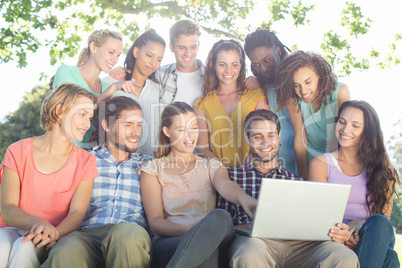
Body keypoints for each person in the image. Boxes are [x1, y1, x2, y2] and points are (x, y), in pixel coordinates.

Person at [216, 109, 359, 267]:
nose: (265, 143)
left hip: (299, 247)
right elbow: (220, 230)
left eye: (271, 136)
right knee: (249, 252)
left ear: (279, 137)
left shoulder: (298, 182)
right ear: (247, 139)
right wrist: (249, 227)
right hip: (254, 242)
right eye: (258, 137)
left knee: (343, 256)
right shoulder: (230, 179)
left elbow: (316, 223)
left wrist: (337, 232)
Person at [139, 102, 257, 268]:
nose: (190, 135)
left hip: (213, 233)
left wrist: (244, 198)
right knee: (206, 252)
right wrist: (192, 231)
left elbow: (225, 185)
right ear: (167, 132)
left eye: (194, 127)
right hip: (171, 241)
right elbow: (156, 222)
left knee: (221, 216)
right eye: (181, 130)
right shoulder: (152, 169)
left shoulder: (211, 165)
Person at [42, 96, 153, 267]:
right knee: (64, 251)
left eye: (139, 125)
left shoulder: (149, 165)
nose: (136, 132)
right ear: (106, 125)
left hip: (130, 232)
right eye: (128, 125)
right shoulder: (84, 160)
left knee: (126, 235)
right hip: (87, 235)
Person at [0, 83, 98, 267]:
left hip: (53, 235)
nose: (87, 124)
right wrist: (38, 223)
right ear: (60, 111)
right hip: (13, 228)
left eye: (90, 117)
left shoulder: (86, 161)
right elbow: (7, 208)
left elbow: (77, 213)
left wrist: (53, 233)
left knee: (25, 248)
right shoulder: (17, 151)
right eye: (82, 114)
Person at [308, 100, 400, 268]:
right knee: (390, 258)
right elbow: (318, 216)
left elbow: (382, 224)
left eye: (355, 126)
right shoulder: (321, 164)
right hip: (334, 236)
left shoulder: (384, 170)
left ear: (367, 132)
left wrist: (360, 222)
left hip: (371, 236)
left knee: (378, 222)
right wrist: (344, 235)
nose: (345, 130)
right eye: (342, 122)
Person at [51, 29, 139, 149]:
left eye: (118, 55)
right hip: (60, 150)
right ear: (93, 47)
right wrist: (113, 88)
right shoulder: (66, 72)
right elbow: (72, 111)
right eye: (111, 52)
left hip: (89, 156)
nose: (115, 60)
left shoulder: (107, 89)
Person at [194, 39, 270, 168]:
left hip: (254, 171)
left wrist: (244, 171)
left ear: (241, 65)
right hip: (218, 175)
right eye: (222, 64)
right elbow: (202, 149)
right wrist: (225, 172)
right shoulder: (202, 104)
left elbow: (266, 138)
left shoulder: (256, 94)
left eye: (234, 64)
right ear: (213, 65)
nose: (228, 70)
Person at [275, 50, 351, 178]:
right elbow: (300, 139)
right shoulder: (293, 100)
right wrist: (304, 177)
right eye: (296, 85)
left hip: (339, 160)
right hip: (312, 162)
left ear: (320, 76)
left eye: (308, 82)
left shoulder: (339, 92)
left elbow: (349, 135)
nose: (303, 91)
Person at [110, 19, 204, 107]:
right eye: (182, 48)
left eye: (193, 47)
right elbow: (140, 72)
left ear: (199, 45)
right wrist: (116, 73)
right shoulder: (160, 74)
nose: (188, 53)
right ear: (171, 47)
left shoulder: (211, 76)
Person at [243, 27, 298, 174]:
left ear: (278, 51)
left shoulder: (298, 81)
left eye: (266, 60)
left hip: (302, 165)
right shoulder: (264, 87)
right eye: (256, 64)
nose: (262, 68)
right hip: (275, 169)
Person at [104, 28, 166, 156]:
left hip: (148, 164)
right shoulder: (111, 83)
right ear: (136, 52)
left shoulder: (159, 90)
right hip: (113, 164)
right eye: (149, 55)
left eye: (159, 59)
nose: (153, 63)